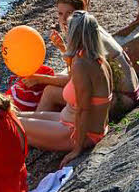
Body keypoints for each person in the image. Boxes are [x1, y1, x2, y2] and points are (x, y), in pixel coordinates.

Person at [20, 11, 114, 168]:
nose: (65, 33)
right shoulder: (97, 59)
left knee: (11, 122)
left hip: (77, 133)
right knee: (13, 114)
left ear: (75, 35)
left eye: (67, 30)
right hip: (71, 123)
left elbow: (83, 110)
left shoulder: (82, 65)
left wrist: (77, 150)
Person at [27, 0, 139, 118]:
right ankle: (45, 122)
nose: (63, 19)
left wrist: (39, 79)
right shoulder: (90, 27)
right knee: (54, 78)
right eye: (60, 14)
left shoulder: (83, 36)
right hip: (129, 93)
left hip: (120, 100)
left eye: (69, 13)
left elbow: (75, 78)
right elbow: (82, 68)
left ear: (79, 12)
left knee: (50, 92)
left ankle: (33, 130)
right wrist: (64, 49)